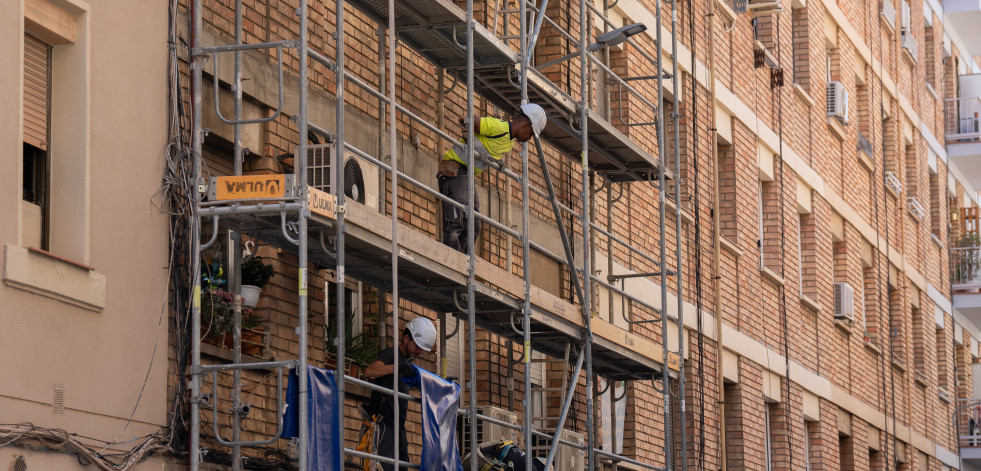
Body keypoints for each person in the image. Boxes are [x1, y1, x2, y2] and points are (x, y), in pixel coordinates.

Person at [438, 103, 547, 253]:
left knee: (473, 226)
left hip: (467, 175)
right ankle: (450, 259)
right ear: (526, 125)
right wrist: (474, 141)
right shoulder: (499, 127)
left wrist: (494, 161)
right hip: (455, 169)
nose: (529, 138)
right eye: (531, 134)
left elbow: (488, 146)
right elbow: (468, 121)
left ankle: (463, 262)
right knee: (456, 222)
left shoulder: (508, 143)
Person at [364, 317, 438, 471]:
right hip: (383, 424)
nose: (419, 351)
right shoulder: (391, 355)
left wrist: (440, 385)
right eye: (417, 346)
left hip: (398, 426)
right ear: (405, 338)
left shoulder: (407, 364)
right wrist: (396, 367)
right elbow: (370, 371)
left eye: (422, 349)